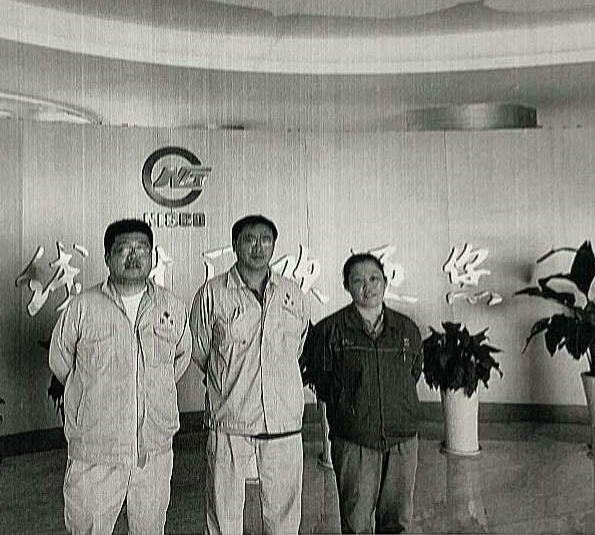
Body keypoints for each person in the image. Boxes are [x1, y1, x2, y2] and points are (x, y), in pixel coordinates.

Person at [49, 218, 191, 535]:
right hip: (96, 449)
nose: (133, 256)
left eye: (142, 248)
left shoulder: (171, 306)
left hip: (152, 448)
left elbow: (179, 360)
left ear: (152, 256)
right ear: (107, 257)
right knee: (89, 528)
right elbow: (61, 362)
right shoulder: (83, 307)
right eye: (123, 248)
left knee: (150, 528)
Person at [190, 214, 311, 534]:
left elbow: (297, 347)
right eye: (249, 239)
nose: (258, 246)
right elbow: (200, 351)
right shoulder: (212, 293)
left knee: (285, 515)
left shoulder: (291, 293)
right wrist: (232, 381)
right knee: (223, 513)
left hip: (282, 418)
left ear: (273, 245)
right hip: (230, 418)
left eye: (265, 239)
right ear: (235, 245)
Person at [302, 253, 422, 534]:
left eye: (374, 279)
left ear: (385, 282)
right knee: (356, 521)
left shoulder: (406, 328)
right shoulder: (330, 330)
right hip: (354, 439)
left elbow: (414, 371)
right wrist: (349, 407)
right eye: (358, 280)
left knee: (397, 520)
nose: (368, 287)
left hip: (402, 437)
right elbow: (322, 379)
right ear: (346, 286)